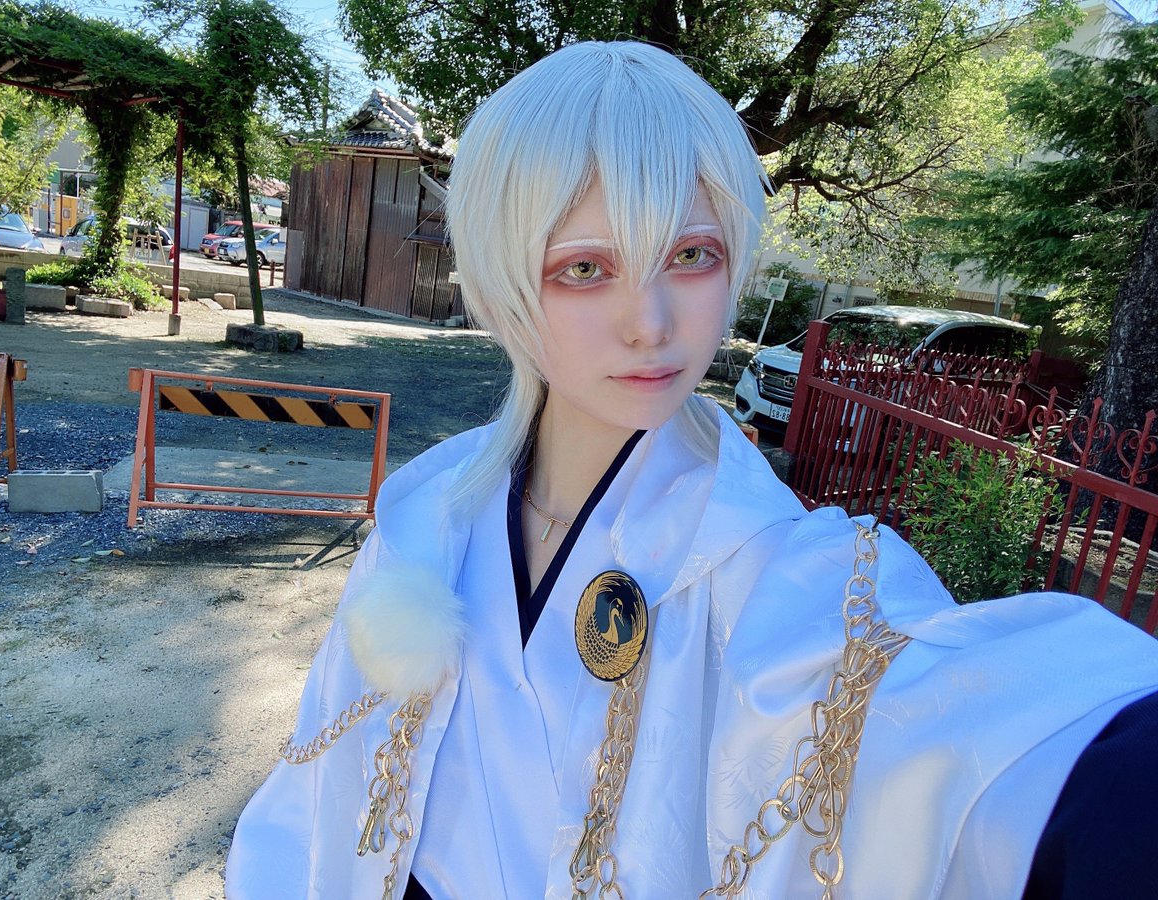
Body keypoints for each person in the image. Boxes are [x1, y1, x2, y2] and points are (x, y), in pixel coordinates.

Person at [225, 41, 1158, 900]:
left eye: (691, 255)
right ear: (505, 278)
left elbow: (982, 725)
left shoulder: (775, 566)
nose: (653, 323)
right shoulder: (426, 510)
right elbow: (316, 809)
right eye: (585, 267)